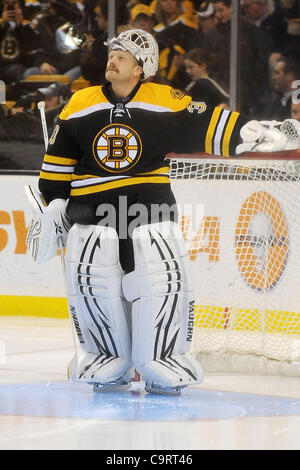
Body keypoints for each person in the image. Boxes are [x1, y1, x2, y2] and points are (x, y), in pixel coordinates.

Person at [25, 28, 298, 396]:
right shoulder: (80, 102)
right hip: (93, 214)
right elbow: (57, 166)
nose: (113, 59)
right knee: (91, 271)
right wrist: (53, 204)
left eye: (122, 56)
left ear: (142, 68)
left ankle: (163, 357)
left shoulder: (164, 100)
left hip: (147, 215)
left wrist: (265, 133)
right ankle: (106, 358)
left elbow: (216, 125)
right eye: (113, 53)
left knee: (161, 266)